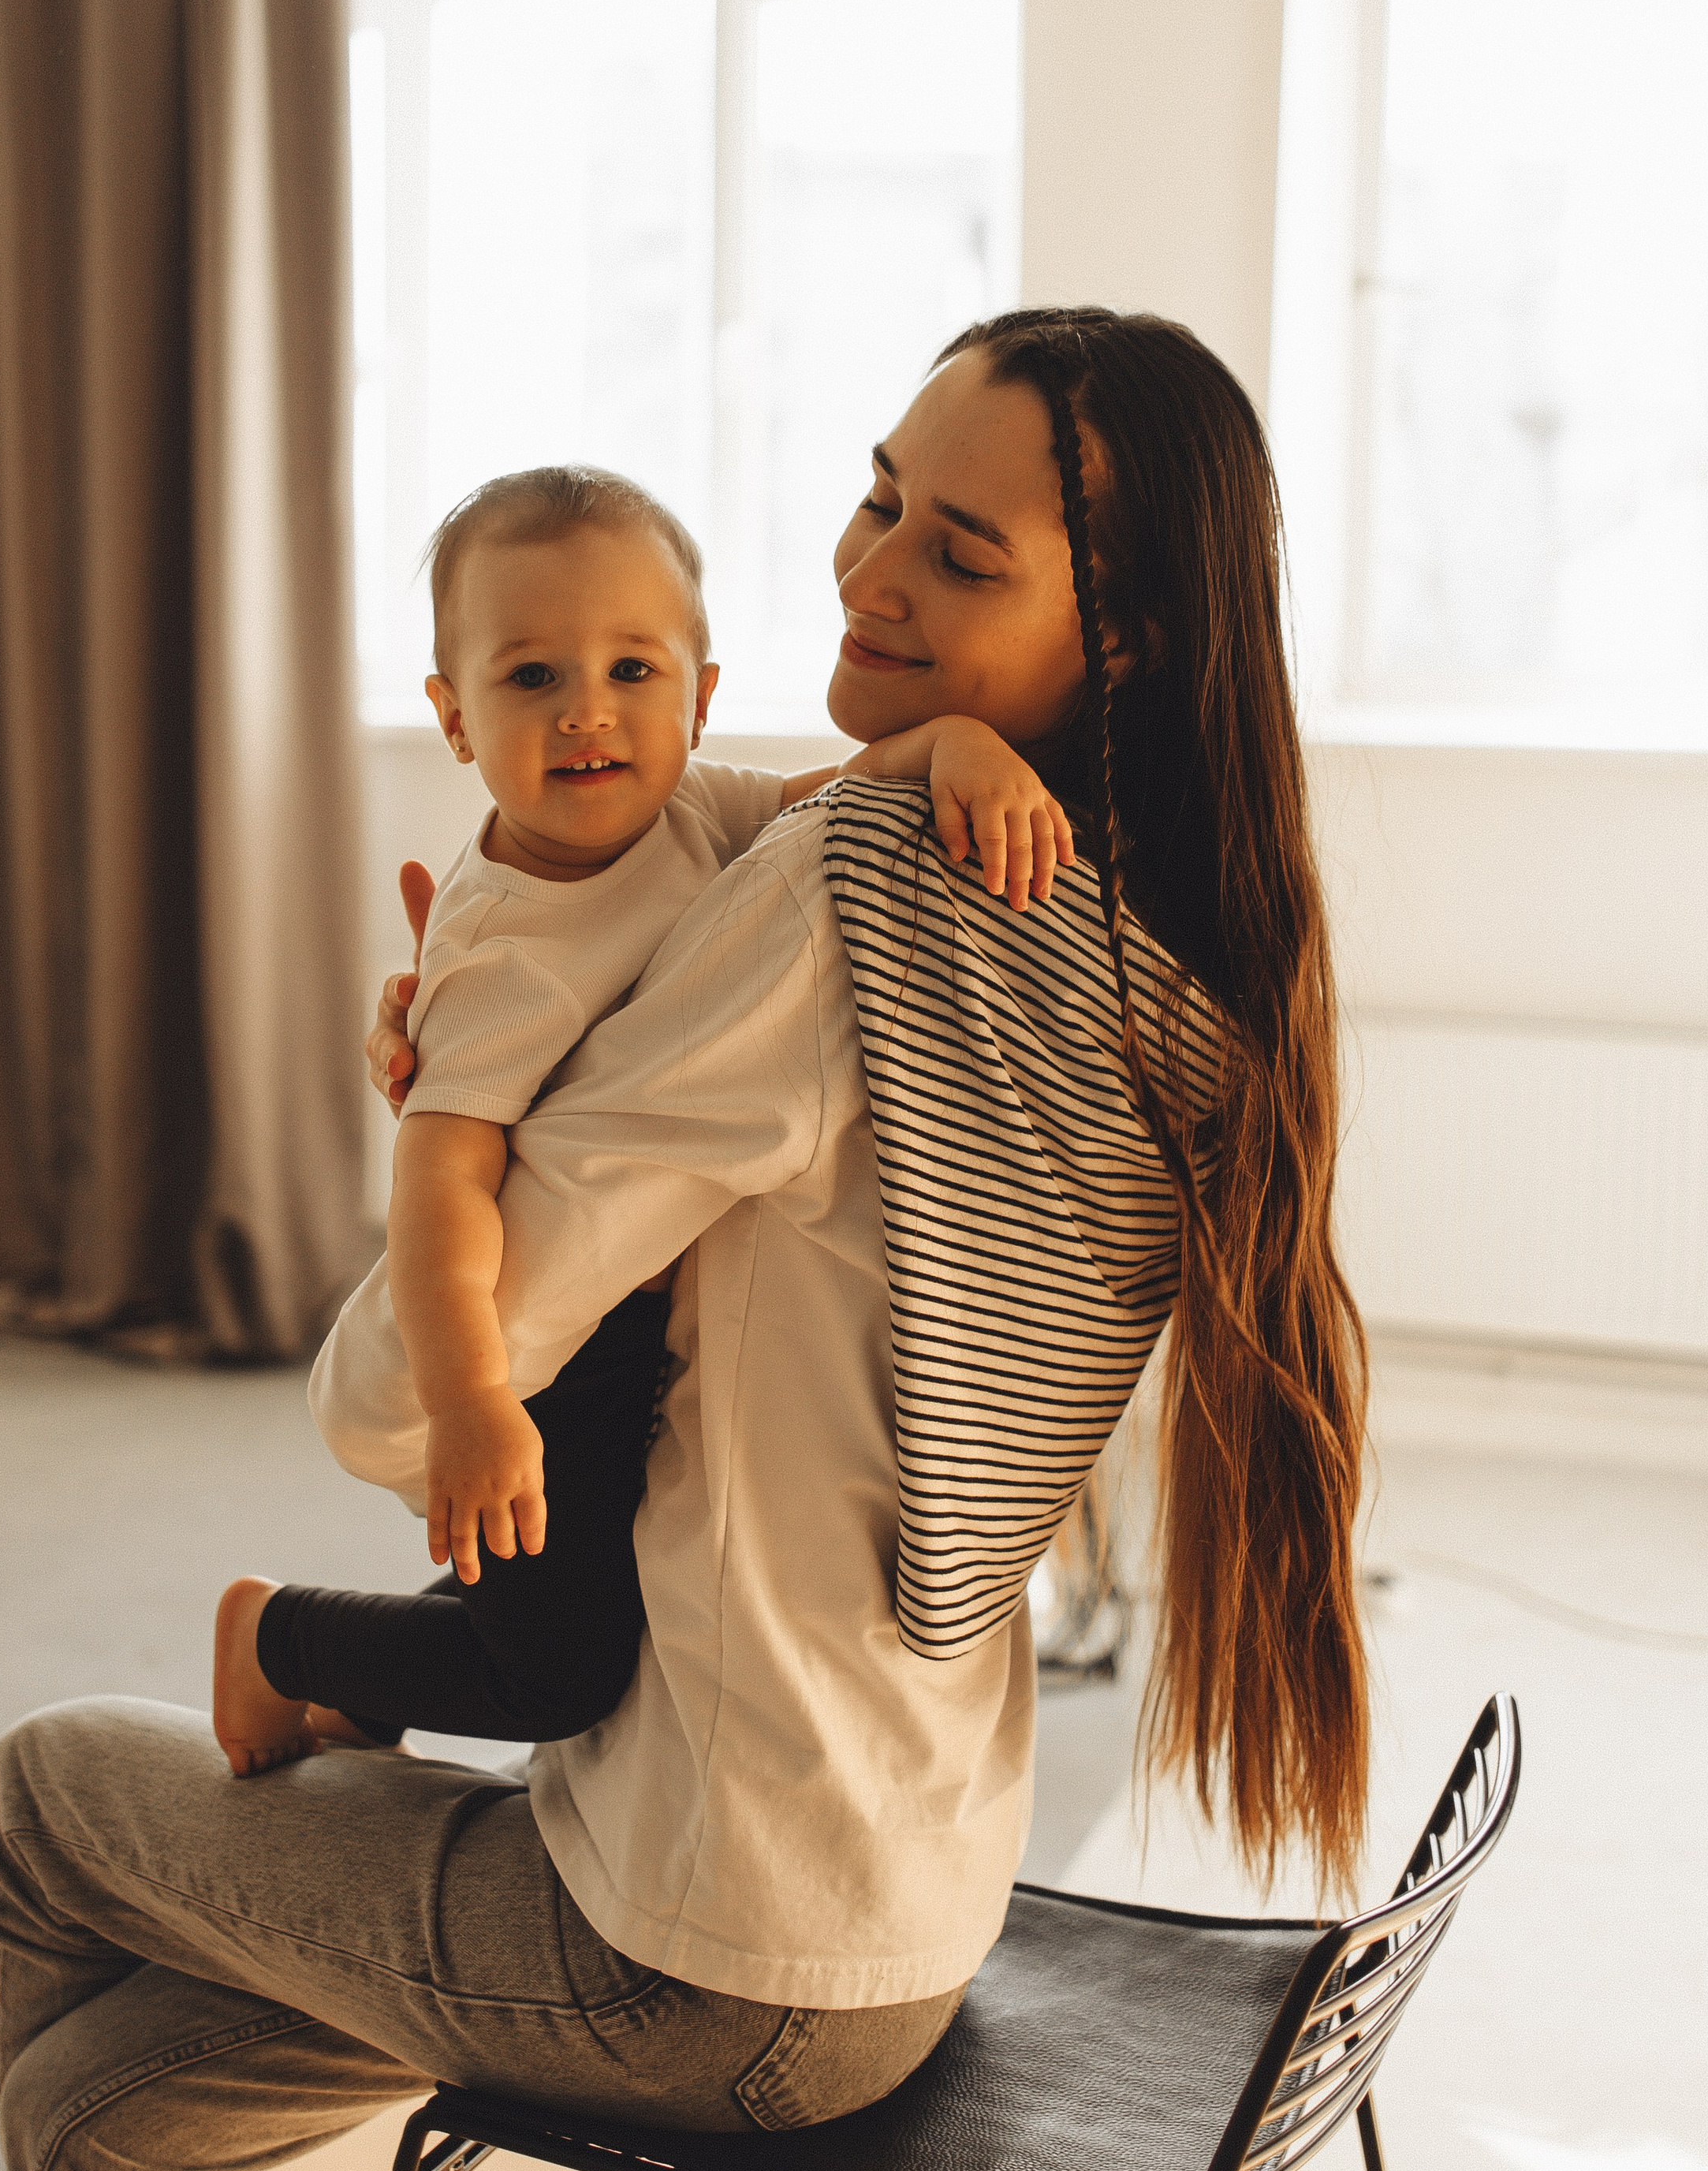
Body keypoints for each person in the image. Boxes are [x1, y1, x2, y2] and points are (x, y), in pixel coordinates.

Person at [0, 308, 1368, 2171]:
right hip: (903, 1892)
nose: (868, 571)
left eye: (959, 553)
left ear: (1125, 639)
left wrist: (476, 1113)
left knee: (41, 1795)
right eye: (877, 497)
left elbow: (395, 1402)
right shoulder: (1161, 957)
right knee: (100, 2125)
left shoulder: (862, 894)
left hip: (700, 1956)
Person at [211, 461, 1070, 1771]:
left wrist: (956, 746)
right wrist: (471, 1399)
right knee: (560, 1671)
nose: (587, 713)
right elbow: (438, 1189)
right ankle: (279, 1640)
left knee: (593, 1574)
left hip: (641, 1306)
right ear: (454, 718)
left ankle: (366, 1691)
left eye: (630, 670)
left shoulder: (693, 807)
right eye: (531, 677)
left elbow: (839, 798)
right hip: (549, 1354)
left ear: (699, 696)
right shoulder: (503, 950)